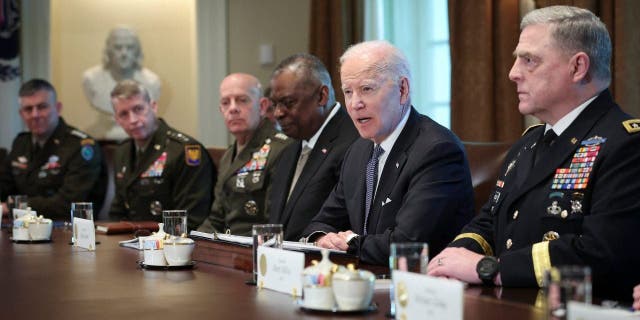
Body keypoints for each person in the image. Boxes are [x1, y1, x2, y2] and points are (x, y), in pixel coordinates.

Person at [427, 6, 640, 301]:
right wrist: (452, 259)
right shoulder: (529, 143)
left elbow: (603, 252)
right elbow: (489, 221)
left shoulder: (625, 144)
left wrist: (489, 268)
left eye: (530, 61)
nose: (513, 73)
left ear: (578, 67)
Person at [302, 40, 474, 265]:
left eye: (367, 89)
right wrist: (322, 239)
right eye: (348, 92)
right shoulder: (358, 151)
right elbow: (321, 223)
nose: (355, 104)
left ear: (403, 90)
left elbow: (407, 244)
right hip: (364, 281)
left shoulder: (438, 151)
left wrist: (351, 242)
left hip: (423, 288)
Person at [267, 53, 359, 241]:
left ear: (321, 96)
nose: (278, 113)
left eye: (288, 102)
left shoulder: (355, 144)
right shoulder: (288, 150)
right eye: (275, 104)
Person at [109, 80, 214, 230]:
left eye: (138, 109)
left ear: (153, 107)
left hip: (170, 244)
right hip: (131, 242)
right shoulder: (122, 151)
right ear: (117, 119)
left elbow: (192, 218)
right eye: (124, 114)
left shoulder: (184, 150)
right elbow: (117, 212)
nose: (133, 120)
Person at [197, 73, 290, 236]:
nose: (232, 108)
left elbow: (274, 224)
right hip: (227, 249)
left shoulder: (281, 149)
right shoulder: (228, 156)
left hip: (256, 251)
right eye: (226, 103)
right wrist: (192, 243)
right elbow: (216, 219)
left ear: (262, 106)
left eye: (242, 100)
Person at [0, 79, 107, 220]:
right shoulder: (21, 143)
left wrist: (13, 206)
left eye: (42, 107)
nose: (35, 115)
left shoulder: (81, 146)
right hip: (22, 231)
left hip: (68, 232)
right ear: (21, 114)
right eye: (28, 109)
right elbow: (4, 187)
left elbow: (68, 205)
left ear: (57, 108)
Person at [83, 26, 161, 139]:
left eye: (130, 48)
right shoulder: (91, 79)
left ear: (137, 51)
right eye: (118, 47)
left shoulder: (152, 82)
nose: (124, 53)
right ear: (108, 50)